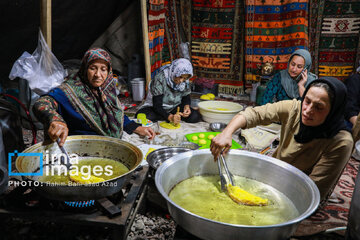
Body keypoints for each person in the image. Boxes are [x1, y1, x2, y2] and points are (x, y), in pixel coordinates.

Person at [211, 77, 353, 201]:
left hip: (300, 188)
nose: (308, 110)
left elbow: (313, 189)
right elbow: (254, 114)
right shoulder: (293, 108)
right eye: (307, 101)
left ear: (333, 111)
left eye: (319, 107)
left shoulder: (341, 142)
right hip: (276, 167)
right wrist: (226, 133)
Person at [33, 48, 155, 147]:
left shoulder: (107, 90)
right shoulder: (70, 90)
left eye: (103, 69)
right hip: (81, 147)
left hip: (108, 144)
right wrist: (54, 119)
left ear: (109, 72)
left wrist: (136, 127)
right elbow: (42, 103)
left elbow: (115, 115)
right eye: (93, 68)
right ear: (85, 69)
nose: (98, 75)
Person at [135, 58, 201, 125]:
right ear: (174, 71)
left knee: (195, 116)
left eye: (184, 78)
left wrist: (186, 107)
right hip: (156, 108)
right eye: (180, 77)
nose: (181, 81)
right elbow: (157, 105)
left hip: (174, 107)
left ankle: (171, 116)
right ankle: (169, 117)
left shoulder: (185, 81)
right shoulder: (160, 78)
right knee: (144, 115)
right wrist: (169, 116)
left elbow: (186, 96)